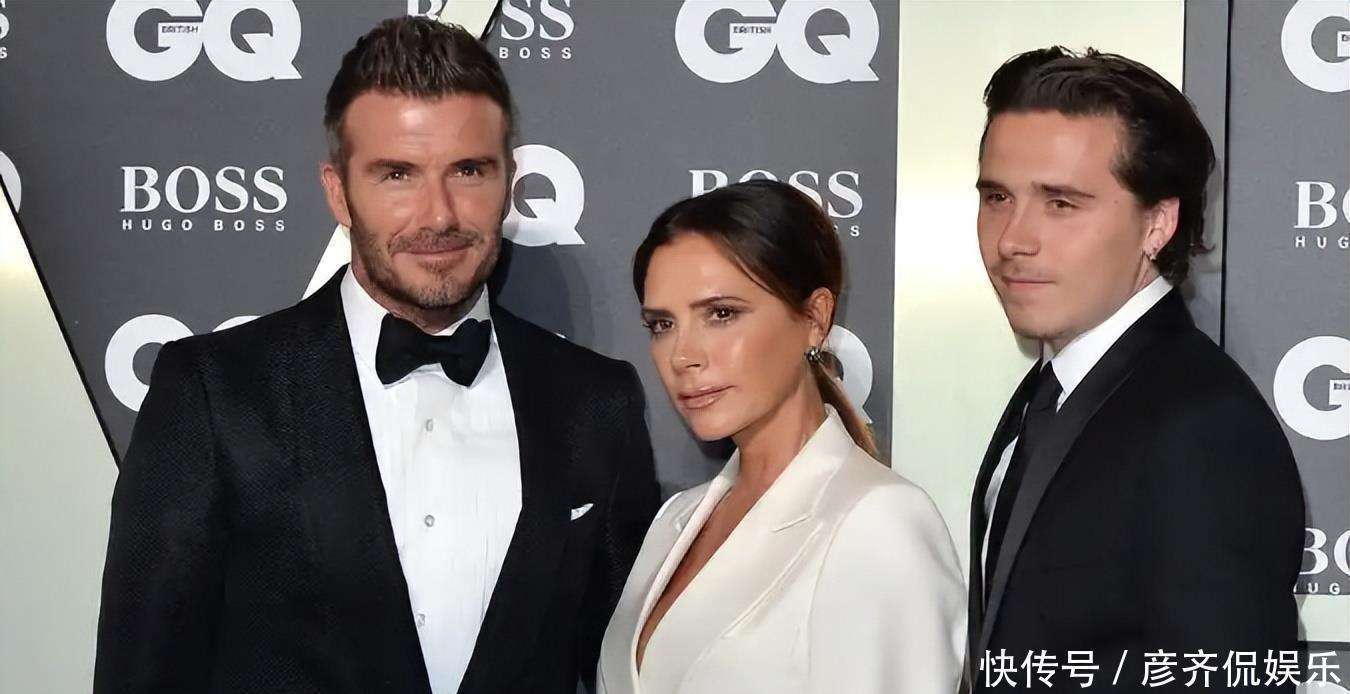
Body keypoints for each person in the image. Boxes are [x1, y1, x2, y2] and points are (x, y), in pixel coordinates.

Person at [94, 17, 658, 694]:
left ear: (509, 180)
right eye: (397, 174)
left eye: (469, 171)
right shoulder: (215, 392)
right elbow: (143, 670)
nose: (439, 215)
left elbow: (625, 670)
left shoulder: (596, 403)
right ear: (338, 191)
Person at [968, 47, 1305, 691]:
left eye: (1061, 204)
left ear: (1158, 224)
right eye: (997, 197)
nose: (1012, 239)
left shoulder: (1203, 428)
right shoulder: (1053, 389)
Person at [597, 180, 966, 694]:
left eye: (721, 314)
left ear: (815, 318)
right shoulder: (675, 520)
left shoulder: (879, 521)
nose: (682, 356)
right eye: (662, 324)